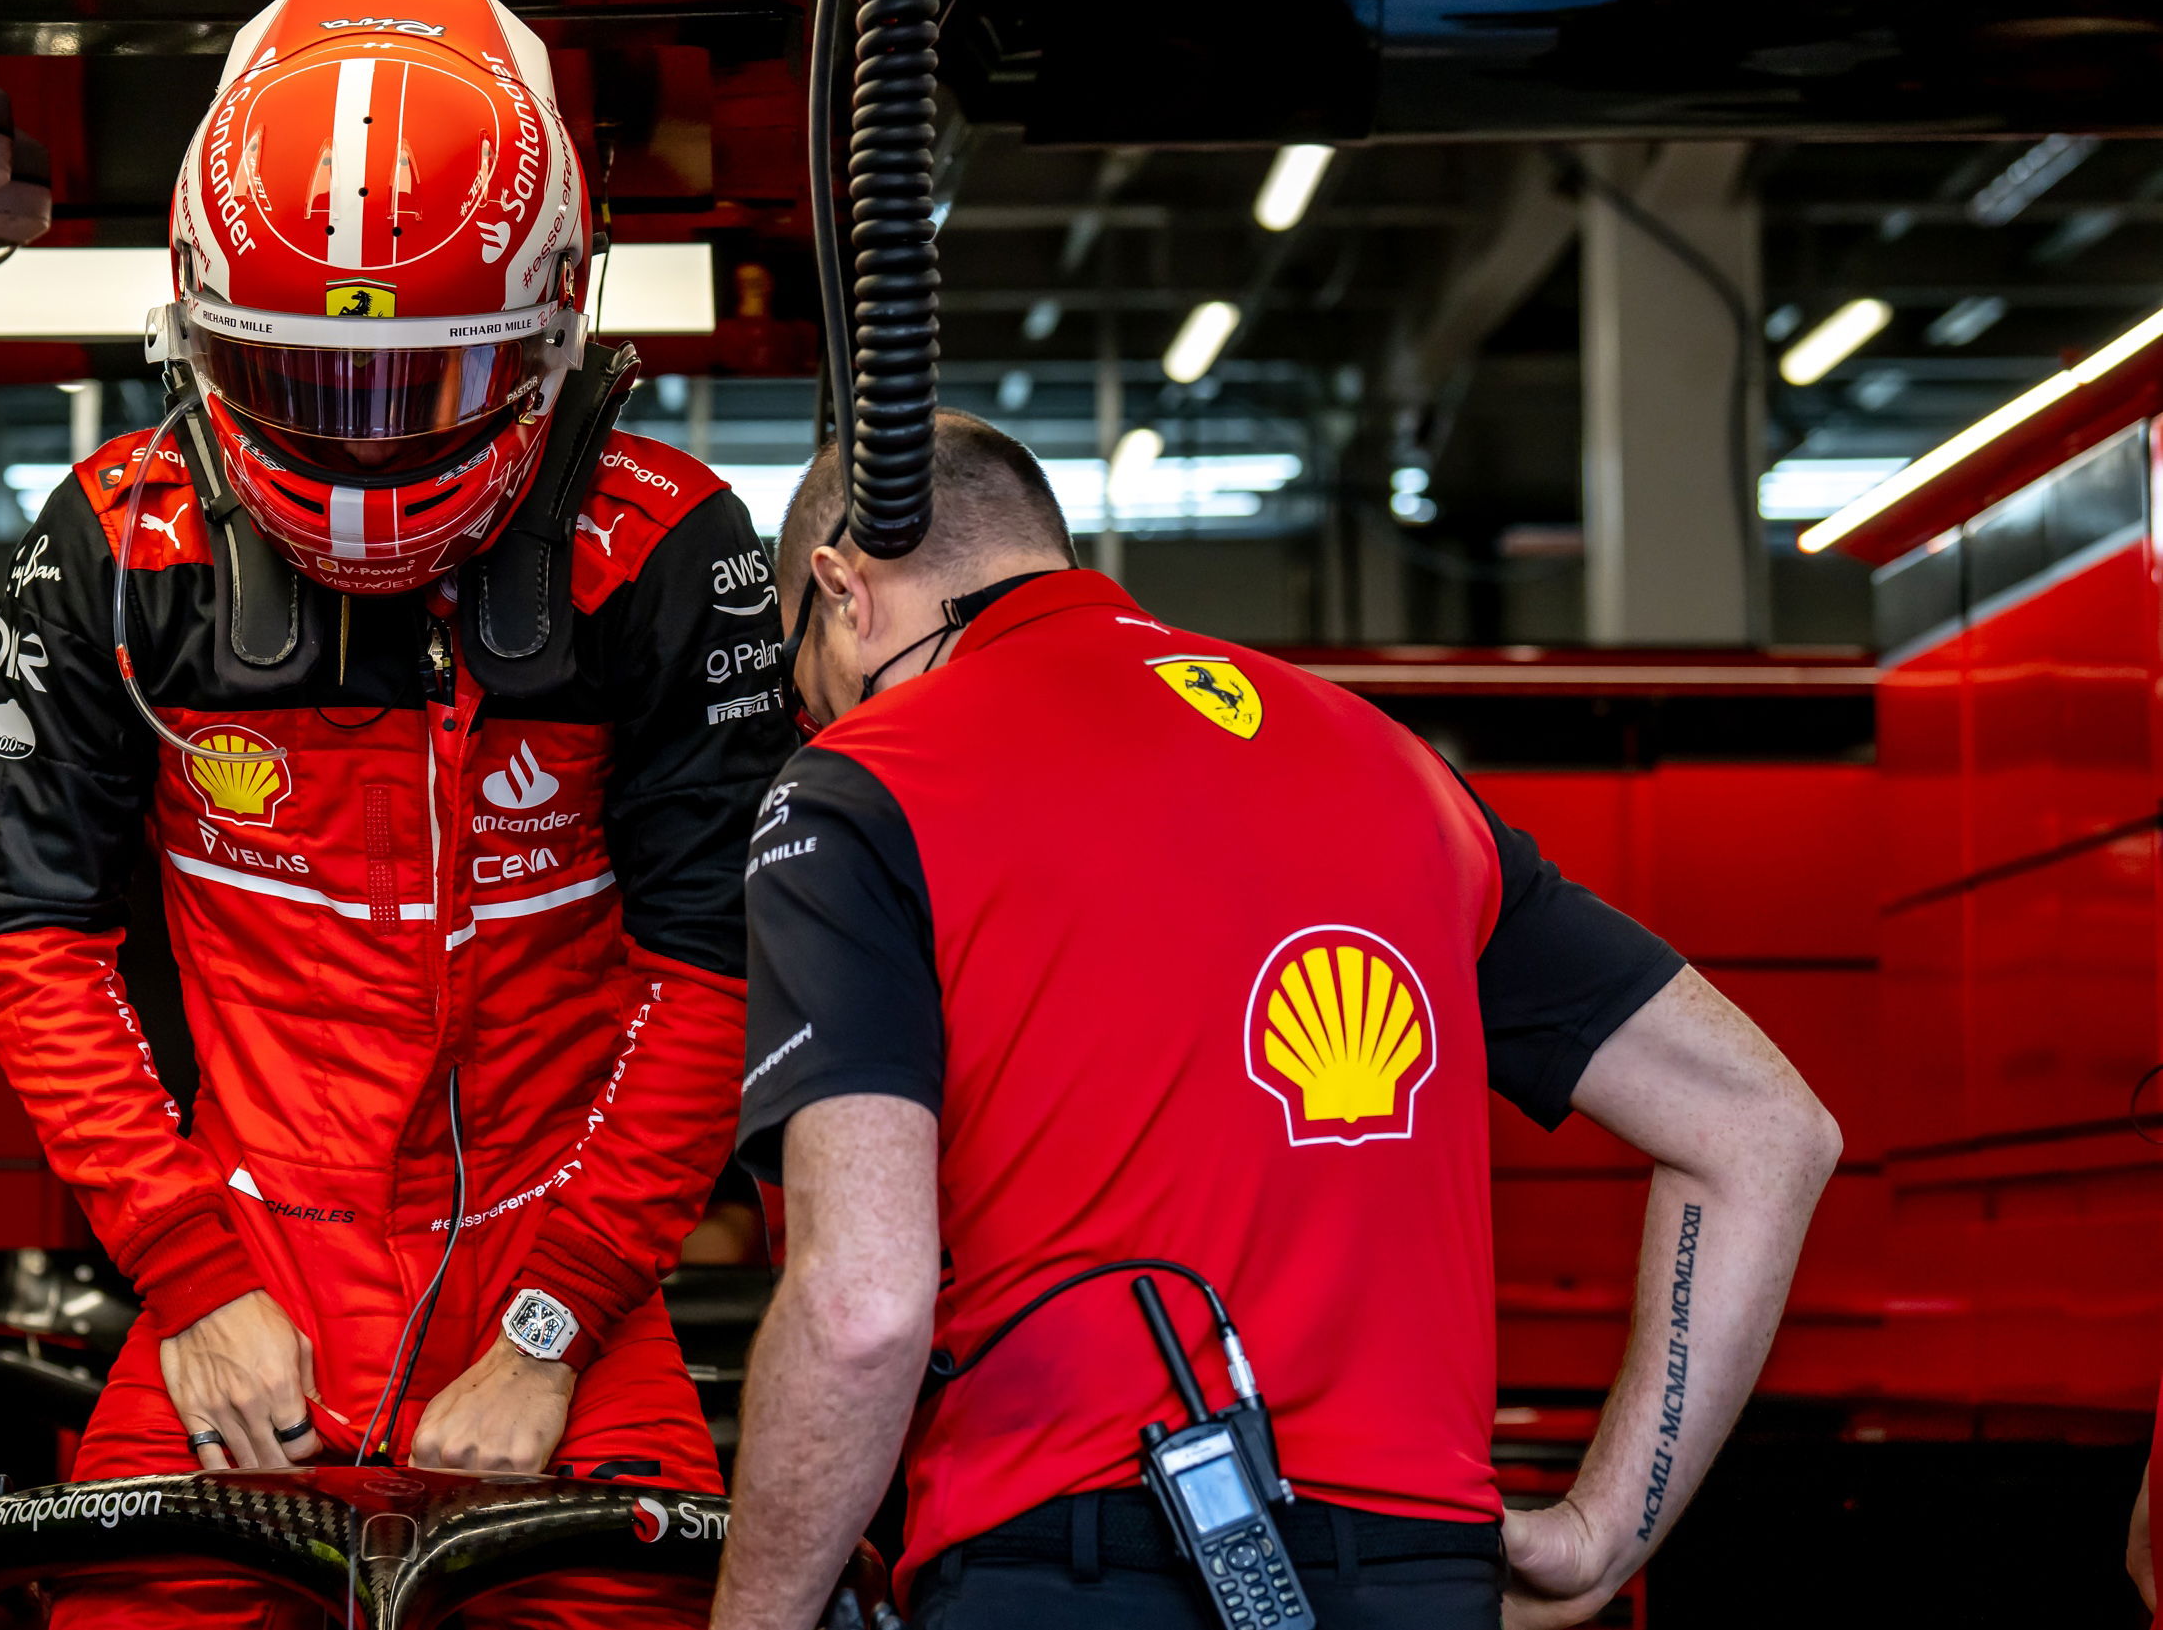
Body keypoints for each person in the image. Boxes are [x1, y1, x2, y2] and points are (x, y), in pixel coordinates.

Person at [710, 416, 1844, 1630]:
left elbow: (862, 1305)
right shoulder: (1391, 764)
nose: (815, 722)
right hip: (1422, 1576)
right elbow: (1764, 1128)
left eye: (802, 686)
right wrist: (1596, 1532)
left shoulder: (865, 780)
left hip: (1069, 1563)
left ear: (838, 590)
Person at [0, 0, 788, 1625]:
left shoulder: (669, 548)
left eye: (421, 384)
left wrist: (552, 1318)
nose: (360, 447)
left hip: (564, 1283)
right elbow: (31, 936)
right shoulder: (121, 545)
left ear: (553, 322)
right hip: (243, 1266)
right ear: (195, 324)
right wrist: (189, 1276)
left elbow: (722, 970)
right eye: (305, 382)